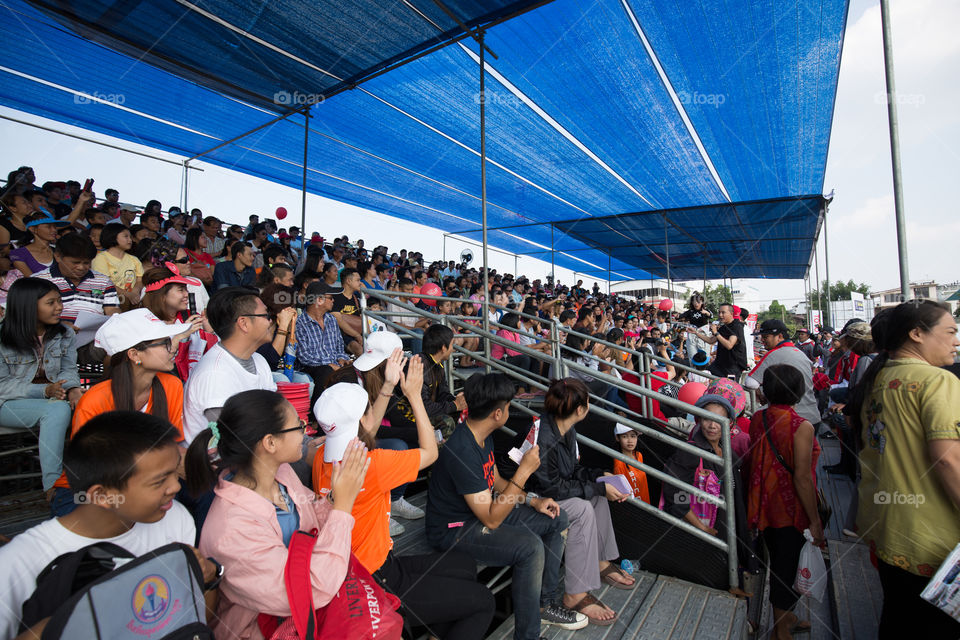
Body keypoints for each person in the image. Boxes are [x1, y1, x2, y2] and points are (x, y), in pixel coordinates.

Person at [0, 411, 219, 640]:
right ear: (104, 495)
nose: (175, 487)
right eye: (159, 481)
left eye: (175, 472)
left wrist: (210, 576)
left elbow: (194, 617)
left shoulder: (175, 518)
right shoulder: (16, 565)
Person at [314, 375, 495, 639]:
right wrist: (413, 396)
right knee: (483, 601)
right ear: (364, 419)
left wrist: (388, 387)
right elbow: (431, 452)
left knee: (464, 565)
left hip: (366, 567)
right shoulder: (373, 464)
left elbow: (366, 428)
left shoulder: (321, 457)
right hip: (376, 581)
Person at [187, 390, 368, 639]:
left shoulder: (281, 473)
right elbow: (309, 591)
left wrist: (335, 499)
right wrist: (343, 508)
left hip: (306, 617)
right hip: (263, 629)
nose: (305, 432)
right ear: (270, 443)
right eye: (298, 426)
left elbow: (311, 516)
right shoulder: (231, 530)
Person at [426, 373, 586, 639]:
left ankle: (545, 604)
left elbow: (496, 479)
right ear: (498, 414)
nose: (511, 410)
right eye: (509, 406)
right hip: (454, 529)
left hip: (481, 512)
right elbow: (491, 519)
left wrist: (532, 499)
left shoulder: (482, 432)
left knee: (557, 519)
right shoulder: (462, 449)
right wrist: (523, 473)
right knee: (530, 548)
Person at [848, 301, 960, 638]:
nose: (956, 340)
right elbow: (948, 458)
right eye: (950, 332)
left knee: (898, 619)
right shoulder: (937, 381)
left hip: (888, 531)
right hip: (932, 537)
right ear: (916, 334)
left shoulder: (879, 379)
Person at [50, 309, 191, 515]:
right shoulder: (96, 400)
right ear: (134, 355)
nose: (173, 349)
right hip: (91, 487)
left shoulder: (172, 385)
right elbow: (93, 466)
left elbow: (173, 445)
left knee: (206, 491)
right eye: (165, 343)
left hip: (149, 479)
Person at [525, 378, 635, 626]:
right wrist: (597, 486)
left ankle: (600, 561)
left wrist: (598, 476)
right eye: (587, 402)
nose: (589, 406)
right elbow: (550, 487)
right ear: (579, 409)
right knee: (584, 506)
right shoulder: (544, 435)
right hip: (533, 501)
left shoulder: (566, 428)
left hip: (553, 494)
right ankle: (575, 594)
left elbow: (572, 470)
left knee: (597, 495)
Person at [747, 364, 823, 640]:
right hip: (789, 509)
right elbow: (802, 478)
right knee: (785, 565)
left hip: (762, 503)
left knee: (779, 561)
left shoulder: (758, 418)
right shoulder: (800, 427)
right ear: (799, 390)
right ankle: (780, 629)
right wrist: (815, 520)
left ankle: (786, 616)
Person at [0, 277, 79, 494]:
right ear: (28, 307)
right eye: (51, 303)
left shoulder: (65, 334)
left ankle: (91, 479)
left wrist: (73, 389)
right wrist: (44, 391)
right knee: (57, 409)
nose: (59, 308)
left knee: (93, 402)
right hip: (6, 403)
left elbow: (69, 368)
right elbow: (2, 385)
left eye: (60, 301)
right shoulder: (2, 336)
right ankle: (53, 487)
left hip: (52, 397)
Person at [183, 287, 278, 444]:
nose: (270, 321)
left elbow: (272, 414)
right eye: (266, 315)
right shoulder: (215, 372)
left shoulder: (259, 360)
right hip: (219, 461)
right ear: (244, 323)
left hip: (258, 447)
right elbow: (228, 439)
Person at [388, 324, 466, 443]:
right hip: (409, 416)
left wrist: (459, 401)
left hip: (425, 412)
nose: (453, 349)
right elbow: (424, 407)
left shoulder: (437, 364)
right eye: (451, 345)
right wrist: (454, 405)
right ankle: (436, 459)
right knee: (447, 422)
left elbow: (443, 394)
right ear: (444, 348)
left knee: (463, 413)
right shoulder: (419, 366)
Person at [141, 264, 216, 380]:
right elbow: (145, 364)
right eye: (181, 290)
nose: (186, 294)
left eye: (186, 289)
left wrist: (209, 332)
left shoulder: (190, 318)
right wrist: (179, 338)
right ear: (162, 295)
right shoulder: (144, 322)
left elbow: (211, 358)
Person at [33, 233, 119, 331]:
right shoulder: (39, 281)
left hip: (92, 336)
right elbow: (27, 316)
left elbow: (112, 309)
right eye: (75, 262)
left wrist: (114, 319)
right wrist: (59, 326)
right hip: (51, 336)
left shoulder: (103, 281)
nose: (81, 267)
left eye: (86, 263)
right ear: (57, 256)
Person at [745, 319, 820, 426]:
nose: (762, 340)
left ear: (779, 336)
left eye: (766, 337)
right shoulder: (799, 352)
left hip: (791, 421)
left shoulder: (774, 353)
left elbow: (750, 383)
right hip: (812, 417)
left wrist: (759, 393)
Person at [295, 280, 352, 404]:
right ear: (319, 300)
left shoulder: (331, 319)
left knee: (353, 368)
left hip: (332, 365)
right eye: (330, 298)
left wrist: (342, 358)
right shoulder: (300, 323)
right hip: (310, 367)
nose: (333, 300)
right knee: (326, 371)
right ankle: (317, 417)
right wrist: (330, 364)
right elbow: (304, 357)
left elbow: (339, 347)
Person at [688, 303, 746, 379]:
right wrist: (696, 333)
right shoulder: (723, 327)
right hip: (719, 364)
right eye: (719, 312)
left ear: (731, 313)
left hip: (732, 366)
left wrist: (715, 332)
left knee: (727, 389)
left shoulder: (737, 326)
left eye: (723, 312)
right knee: (705, 376)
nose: (720, 315)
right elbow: (711, 340)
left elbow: (729, 345)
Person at [91, 224, 143, 307]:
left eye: (130, 237)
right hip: (109, 297)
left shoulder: (134, 259)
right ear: (112, 237)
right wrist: (127, 294)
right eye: (126, 236)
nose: (130, 240)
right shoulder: (101, 258)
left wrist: (135, 292)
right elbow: (104, 283)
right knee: (123, 300)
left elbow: (140, 279)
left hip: (133, 297)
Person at [330, 266, 364, 356]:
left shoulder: (356, 299)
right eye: (358, 280)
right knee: (359, 350)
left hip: (355, 334)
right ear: (348, 281)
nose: (360, 283)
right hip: (340, 335)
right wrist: (357, 336)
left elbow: (361, 320)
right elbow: (339, 321)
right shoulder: (335, 296)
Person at [613, 423, 650, 503]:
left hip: (645, 501)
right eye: (624, 436)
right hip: (633, 507)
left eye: (633, 436)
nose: (630, 441)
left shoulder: (639, 455)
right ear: (617, 438)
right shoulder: (618, 463)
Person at [679, 293, 712, 360]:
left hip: (703, 335)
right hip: (692, 335)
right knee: (692, 355)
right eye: (694, 302)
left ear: (702, 302)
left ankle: (704, 369)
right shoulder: (690, 312)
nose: (696, 304)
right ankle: (693, 369)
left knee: (705, 355)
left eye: (698, 302)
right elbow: (680, 316)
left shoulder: (706, 311)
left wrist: (706, 313)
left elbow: (711, 316)